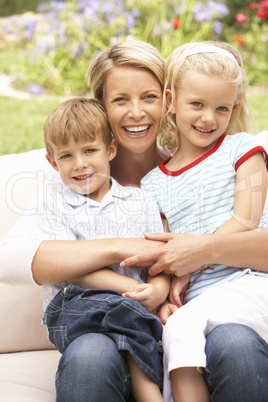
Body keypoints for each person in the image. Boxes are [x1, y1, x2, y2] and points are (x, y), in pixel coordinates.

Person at [1, 40, 268, 401]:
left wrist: (196, 255)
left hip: (191, 325)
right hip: (106, 334)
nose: (136, 113)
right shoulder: (73, 178)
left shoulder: (202, 166)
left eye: (149, 97)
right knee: (90, 356)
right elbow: (10, 258)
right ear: (102, 107)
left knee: (237, 344)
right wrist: (122, 247)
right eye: (120, 100)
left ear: (169, 102)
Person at [121, 41, 268, 402]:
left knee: (182, 328)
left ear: (233, 108)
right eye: (197, 104)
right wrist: (167, 287)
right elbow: (165, 250)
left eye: (221, 108)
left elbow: (247, 220)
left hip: (251, 285)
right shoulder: (153, 184)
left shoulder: (243, 151)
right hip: (203, 303)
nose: (208, 118)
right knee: (175, 330)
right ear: (171, 101)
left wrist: (195, 258)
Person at [40, 97, 169, 402]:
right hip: (73, 306)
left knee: (129, 314)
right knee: (128, 313)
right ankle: (150, 394)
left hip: (134, 304)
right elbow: (74, 271)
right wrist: (131, 289)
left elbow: (158, 261)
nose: (80, 163)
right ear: (52, 162)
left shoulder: (140, 202)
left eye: (89, 150)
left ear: (110, 149)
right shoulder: (54, 202)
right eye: (66, 156)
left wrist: (159, 291)